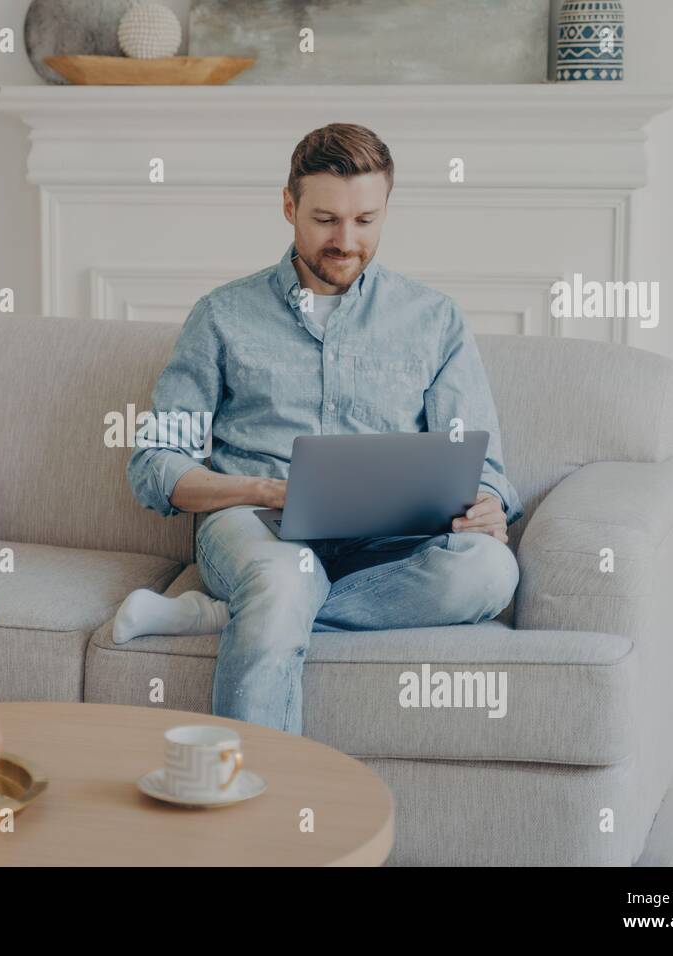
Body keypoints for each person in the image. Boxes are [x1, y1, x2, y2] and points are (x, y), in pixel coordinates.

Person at [120, 123, 523, 736]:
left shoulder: (433, 320)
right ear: (289, 206)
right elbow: (155, 466)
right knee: (282, 580)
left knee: (491, 571)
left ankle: (232, 615)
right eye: (326, 219)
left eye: (366, 220)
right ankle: (256, 809)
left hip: (391, 545)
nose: (346, 240)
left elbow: (483, 466)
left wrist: (488, 504)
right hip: (259, 528)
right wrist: (261, 490)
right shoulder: (222, 316)